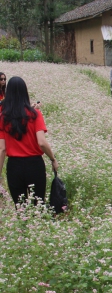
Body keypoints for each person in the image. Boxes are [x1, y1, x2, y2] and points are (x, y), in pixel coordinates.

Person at [0, 76, 59, 206]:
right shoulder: (35, 114)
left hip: (14, 167)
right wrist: (53, 159)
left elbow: (2, 149)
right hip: (34, 165)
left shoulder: (3, 117)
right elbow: (42, 142)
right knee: (38, 205)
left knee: (20, 207)